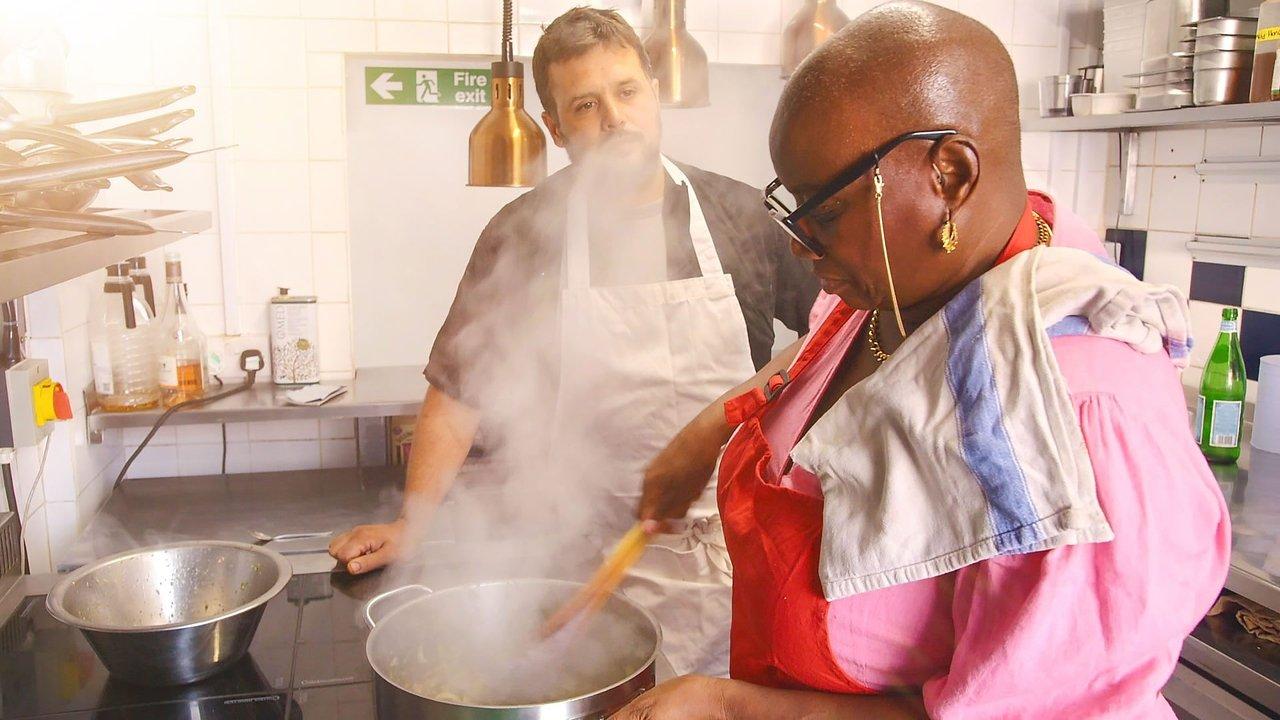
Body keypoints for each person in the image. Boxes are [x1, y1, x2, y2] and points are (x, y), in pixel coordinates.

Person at [615, 2, 1231, 718]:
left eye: (827, 214)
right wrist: (710, 428)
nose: (800, 246)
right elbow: (822, 356)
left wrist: (731, 710)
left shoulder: (1076, 426)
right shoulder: (911, 276)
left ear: (951, 174)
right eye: (795, 212)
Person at [328, 7, 819, 677]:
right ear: (556, 129)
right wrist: (415, 522)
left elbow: (839, 330)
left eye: (626, 91)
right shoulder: (524, 235)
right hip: (585, 556)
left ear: (653, 92)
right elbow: (458, 389)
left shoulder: (742, 216)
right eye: (585, 105)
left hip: (727, 551)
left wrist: (737, 420)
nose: (614, 118)